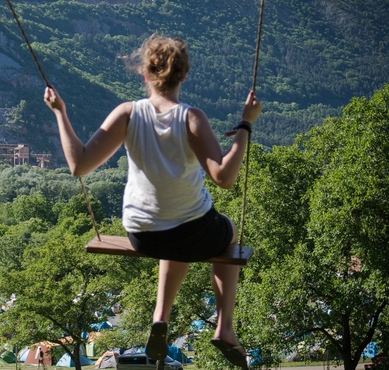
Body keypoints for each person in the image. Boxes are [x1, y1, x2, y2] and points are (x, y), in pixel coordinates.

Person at [44, 34, 261, 369]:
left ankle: (161, 316)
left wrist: (61, 112)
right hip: (191, 231)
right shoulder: (192, 117)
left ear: (145, 75)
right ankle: (225, 327)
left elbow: (79, 165)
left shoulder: (127, 114)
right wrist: (245, 124)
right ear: (184, 76)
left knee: (173, 232)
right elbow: (225, 178)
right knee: (226, 232)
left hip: (142, 233)